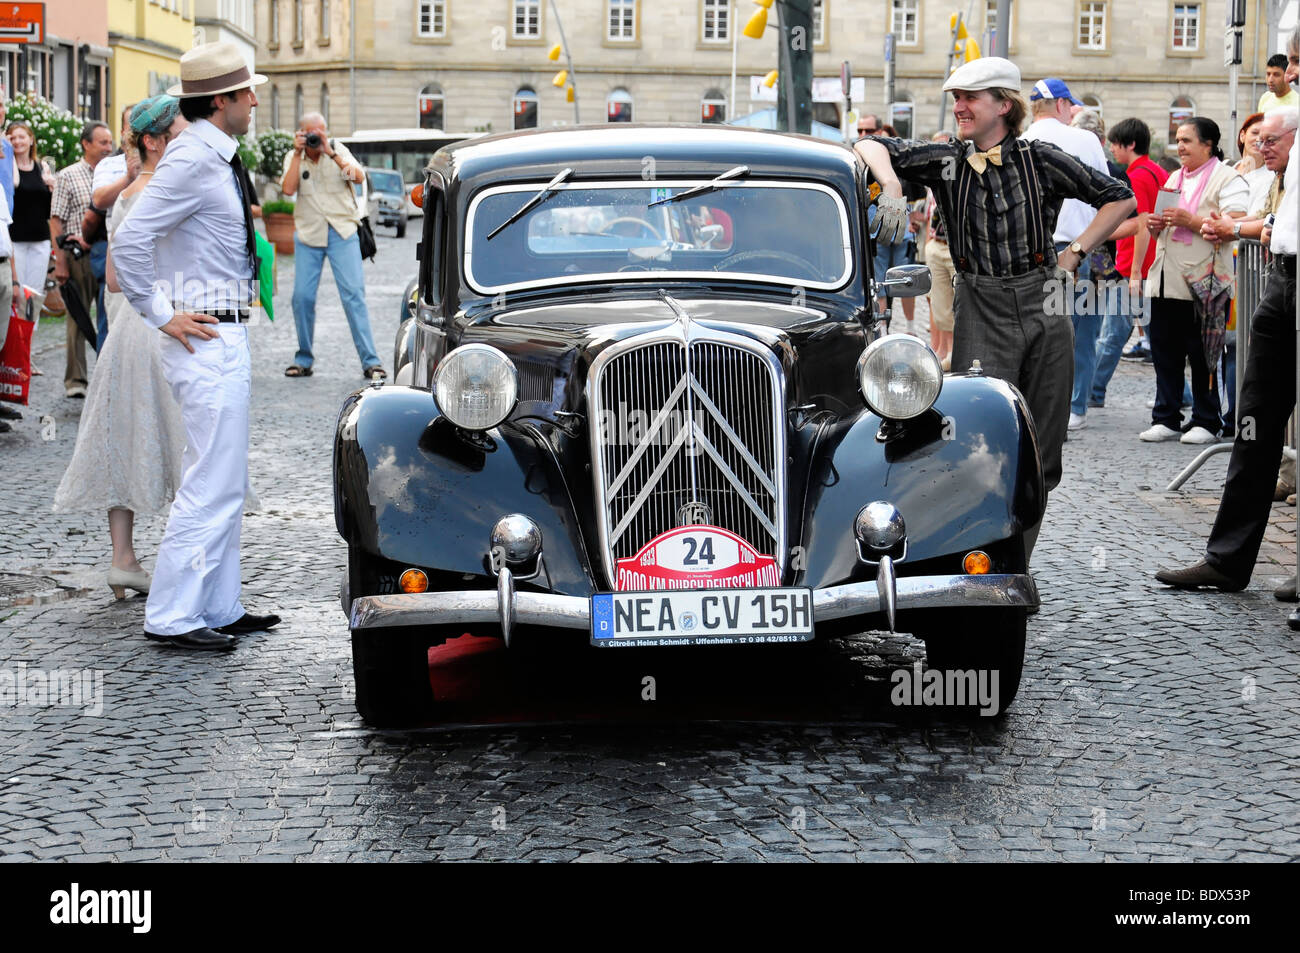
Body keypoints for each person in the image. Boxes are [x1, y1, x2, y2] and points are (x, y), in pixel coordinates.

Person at [854, 57, 1134, 556]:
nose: (958, 106)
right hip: (980, 302)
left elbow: (1118, 197)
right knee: (978, 442)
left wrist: (1072, 257)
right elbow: (868, 143)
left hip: (1044, 299)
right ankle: (983, 564)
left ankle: (1017, 559)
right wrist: (893, 184)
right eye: (956, 97)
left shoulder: (1041, 158)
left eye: (970, 98)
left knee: (1044, 450)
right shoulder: (946, 159)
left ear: (1004, 105)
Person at [112, 42, 279, 651]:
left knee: (224, 478)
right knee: (209, 479)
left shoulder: (213, 155)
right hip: (205, 336)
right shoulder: (191, 159)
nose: (255, 100)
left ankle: (219, 603)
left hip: (225, 333)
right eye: (247, 93)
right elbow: (129, 243)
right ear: (221, 100)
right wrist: (162, 315)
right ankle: (174, 615)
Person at [1157, 27, 1300, 598]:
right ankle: (1227, 559)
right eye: (1290, 62)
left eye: (1295, 62)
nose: (1287, 73)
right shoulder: (1288, 126)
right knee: (1255, 422)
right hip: (1281, 281)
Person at [52, 97, 191, 599]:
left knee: (123, 436)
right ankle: (188, 563)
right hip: (168, 320)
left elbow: (112, 279)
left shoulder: (126, 193)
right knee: (182, 438)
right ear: (155, 142)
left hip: (128, 329)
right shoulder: (171, 192)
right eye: (178, 135)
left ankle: (123, 558)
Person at [1139, 117, 1249, 445]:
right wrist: (1156, 224)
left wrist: (1193, 220)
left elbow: (1238, 222)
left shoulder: (1228, 178)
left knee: (1204, 354)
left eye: (1187, 140)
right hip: (1164, 278)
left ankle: (1206, 418)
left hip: (1206, 280)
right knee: (1164, 351)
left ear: (1208, 144)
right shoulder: (1174, 176)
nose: (1180, 147)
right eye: (1178, 139)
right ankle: (1167, 416)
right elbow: (1159, 224)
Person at [1023, 79, 1111, 434]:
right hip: (1075, 250)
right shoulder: (1085, 139)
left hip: (1030, 250)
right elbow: (1109, 194)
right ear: (1060, 104)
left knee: (1037, 333)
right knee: (1079, 334)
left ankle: (1039, 406)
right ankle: (1073, 407)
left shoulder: (1019, 139)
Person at [281, 111, 385, 379]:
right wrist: (296, 154)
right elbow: (288, 189)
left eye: (321, 131)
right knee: (301, 298)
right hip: (309, 234)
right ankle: (303, 358)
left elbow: (358, 177)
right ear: (301, 133)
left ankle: (370, 361)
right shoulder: (294, 157)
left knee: (354, 296)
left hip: (342, 232)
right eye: (311, 132)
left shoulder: (339, 150)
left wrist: (330, 152)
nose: (316, 136)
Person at [1091, 117, 1162, 407]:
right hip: (1149, 265)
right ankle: (1181, 395)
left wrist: (1134, 272)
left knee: (1111, 336)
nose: (1112, 150)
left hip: (1135, 267)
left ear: (1130, 144)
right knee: (1157, 339)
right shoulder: (1156, 171)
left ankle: (1090, 392)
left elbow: (1143, 223)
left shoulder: (1139, 175)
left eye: (1115, 144)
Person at [49, 121, 114, 399]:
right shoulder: (68, 175)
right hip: (76, 256)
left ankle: (106, 374)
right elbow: (56, 220)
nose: (108, 148)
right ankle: (76, 380)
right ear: (86, 144)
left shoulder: (113, 172)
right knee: (77, 318)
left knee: (106, 317)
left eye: (110, 143)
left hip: (105, 253)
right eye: (103, 143)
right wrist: (60, 261)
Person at [7, 121, 54, 295]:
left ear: (31, 140)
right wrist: (10, 159)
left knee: (35, 293)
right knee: (17, 293)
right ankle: (16, 324)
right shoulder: (6, 168)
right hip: (15, 240)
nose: (17, 141)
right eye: (13, 138)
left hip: (40, 239)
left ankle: (32, 324)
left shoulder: (43, 167)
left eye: (22, 137)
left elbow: (49, 208)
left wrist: (51, 187)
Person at [923, 131, 956, 370]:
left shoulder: (957, 176)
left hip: (954, 248)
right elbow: (929, 217)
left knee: (957, 303)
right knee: (939, 303)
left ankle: (954, 351)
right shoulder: (932, 179)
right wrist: (928, 244)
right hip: (936, 244)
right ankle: (944, 350)